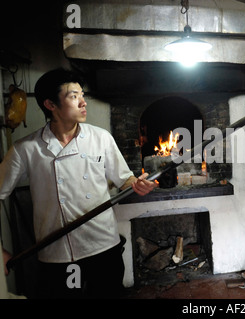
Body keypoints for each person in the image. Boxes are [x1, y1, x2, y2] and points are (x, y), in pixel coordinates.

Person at [0, 68, 157, 298]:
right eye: (73, 96)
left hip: (104, 246)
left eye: (82, 95)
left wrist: (139, 184)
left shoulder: (100, 137)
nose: (83, 102)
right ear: (50, 105)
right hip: (59, 254)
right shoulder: (26, 149)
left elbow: (125, 180)